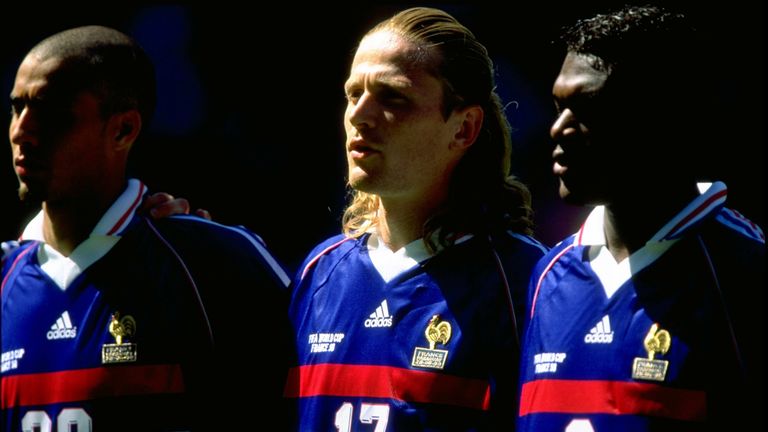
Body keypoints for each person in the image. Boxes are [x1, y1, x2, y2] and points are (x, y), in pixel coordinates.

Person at [0, 26, 292, 431]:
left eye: (50, 111)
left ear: (123, 130)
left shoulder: (213, 260)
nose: (21, 131)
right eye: (17, 108)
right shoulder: (3, 278)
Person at [283, 7, 547, 431]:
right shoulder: (317, 274)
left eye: (393, 97)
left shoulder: (528, 281)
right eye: (354, 94)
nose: (359, 115)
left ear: (463, 129)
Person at [517, 5, 765, 431]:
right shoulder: (546, 274)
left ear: (663, 117)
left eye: (589, 108)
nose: (558, 128)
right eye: (557, 105)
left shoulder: (746, 272)